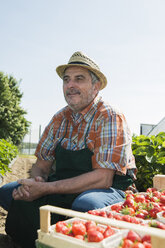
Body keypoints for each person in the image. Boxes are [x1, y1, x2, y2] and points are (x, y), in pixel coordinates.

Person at [0, 51, 137, 248]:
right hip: (65, 187)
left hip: (107, 189)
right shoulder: (59, 118)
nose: (70, 85)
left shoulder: (109, 116)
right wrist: (36, 180)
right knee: (8, 192)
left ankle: (67, 229)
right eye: (66, 80)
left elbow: (103, 178)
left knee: (87, 206)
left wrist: (45, 189)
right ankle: (59, 228)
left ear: (95, 86)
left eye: (79, 79)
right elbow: (41, 166)